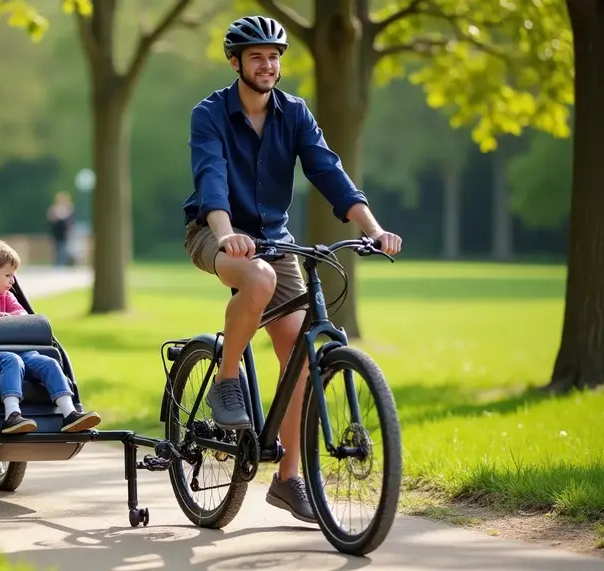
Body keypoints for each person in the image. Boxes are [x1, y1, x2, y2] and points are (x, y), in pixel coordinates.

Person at [182, 15, 403, 524]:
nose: (269, 65)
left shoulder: (294, 114)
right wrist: (225, 231)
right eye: (258, 57)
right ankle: (227, 380)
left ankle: (287, 479)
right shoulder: (210, 114)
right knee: (255, 277)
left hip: (276, 242)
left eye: (275, 57)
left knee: (300, 359)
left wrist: (371, 226)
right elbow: (211, 178)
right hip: (214, 232)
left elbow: (329, 170)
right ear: (236, 62)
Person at [0, 240, 102, 434]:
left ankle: (70, 413)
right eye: (8, 275)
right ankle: (12, 415)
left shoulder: (6, 296)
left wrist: (9, 318)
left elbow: (23, 316)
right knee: (12, 360)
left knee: (48, 362)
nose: (12, 281)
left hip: (22, 350)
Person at [46, 191, 75, 267]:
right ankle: (57, 263)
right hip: (56, 231)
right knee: (56, 247)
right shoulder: (54, 208)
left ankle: (62, 263)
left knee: (63, 247)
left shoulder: (68, 209)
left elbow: (70, 221)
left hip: (64, 232)